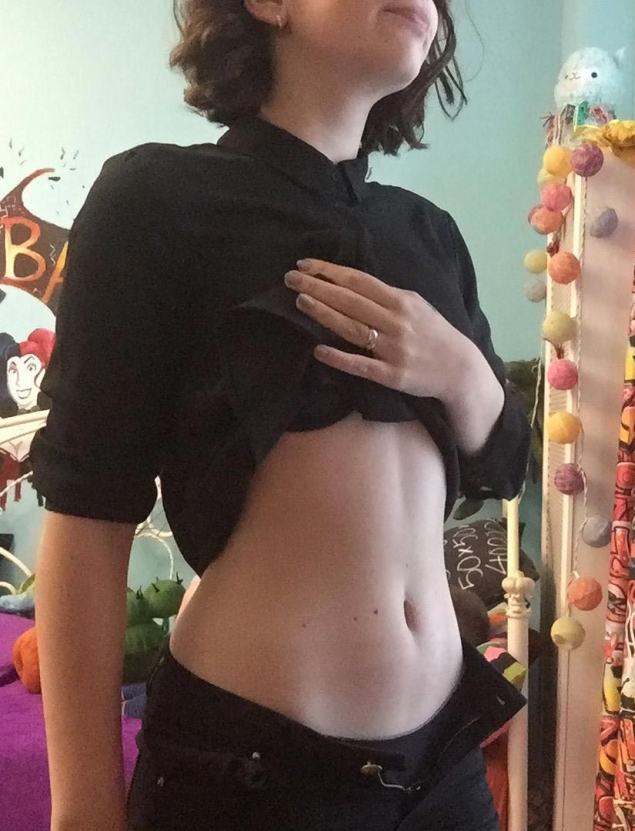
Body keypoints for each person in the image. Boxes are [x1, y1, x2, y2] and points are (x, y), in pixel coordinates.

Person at [30, 1, 531, 830]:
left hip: (445, 774)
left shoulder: (430, 234)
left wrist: (458, 371)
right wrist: (84, 808)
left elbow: (502, 464)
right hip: (253, 777)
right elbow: (88, 508)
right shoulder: (155, 199)